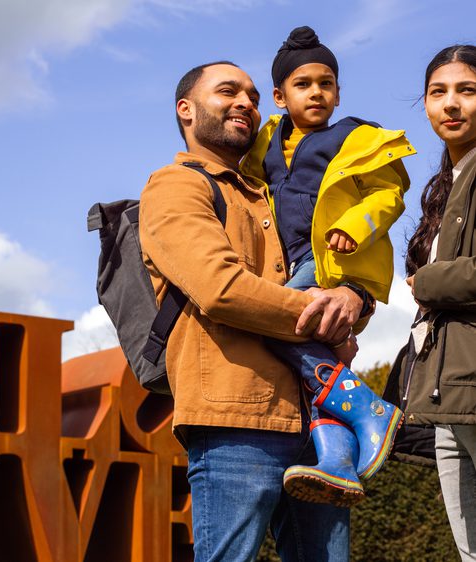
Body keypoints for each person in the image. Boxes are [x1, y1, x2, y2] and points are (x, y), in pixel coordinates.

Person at [140, 61, 365, 561]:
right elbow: (220, 289)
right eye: (227, 92)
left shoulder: (270, 194)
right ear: (187, 111)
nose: (245, 101)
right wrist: (319, 318)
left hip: (316, 423)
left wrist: (354, 301)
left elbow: (331, 275)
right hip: (234, 417)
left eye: (253, 95)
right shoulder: (175, 184)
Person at [241, 26, 415, 505]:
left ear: (338, 92)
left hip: (330, 261)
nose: (316, 92)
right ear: (279, 96)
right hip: (289, 260)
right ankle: (336, 459)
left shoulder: (356, 137)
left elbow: (389, 194)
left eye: (326, 83)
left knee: (272, 322)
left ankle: (367, 409)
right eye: (303, 84)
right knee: (309, 360)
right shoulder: (268, 141)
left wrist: (356, 226)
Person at [401, 44, 476, 561]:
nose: (451, 103)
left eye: (467, 90)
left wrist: (426, 282)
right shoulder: (445, 185)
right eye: (438, 92)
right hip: (446, 395)